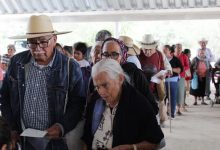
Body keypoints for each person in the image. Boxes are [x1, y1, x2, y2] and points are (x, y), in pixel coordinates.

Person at [0, 15, 85, 150]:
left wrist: (62, 126)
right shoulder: (17, 62)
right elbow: (4, 97)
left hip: (55, 142)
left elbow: (78, 103)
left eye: (43, 42)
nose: (37, 48)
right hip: (22, 140)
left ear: (54, 39)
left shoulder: (69, 67)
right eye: (32, 42)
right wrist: (11, 127)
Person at [82, 59, 164, 150]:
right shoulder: (96, 100)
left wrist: (132, 147)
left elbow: (156, 142)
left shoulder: (138, 103)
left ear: (120, 79)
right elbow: (87, 137)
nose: (101, 92)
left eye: (105, 85)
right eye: (97, 87)